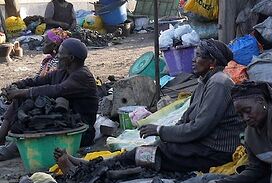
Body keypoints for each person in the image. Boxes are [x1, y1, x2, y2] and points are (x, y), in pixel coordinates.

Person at [55, 39, 244, 174]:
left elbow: (199, 128)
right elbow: (187, 117)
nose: (194, 60)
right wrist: (169, 133)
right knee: (152, 149)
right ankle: (94, 166)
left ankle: (93, 169)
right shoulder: (206, 81)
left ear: (212, 62)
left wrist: (160, 130)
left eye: (199, 56)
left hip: (214, 151)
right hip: (202, 145)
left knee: (152, 153)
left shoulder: (219, 83)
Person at [0, 38, 97, 161]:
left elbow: (56, 90)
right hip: (64, 123)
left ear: (71, 58)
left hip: (80, 131)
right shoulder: (62, 72)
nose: (57, 55)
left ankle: (11, 147)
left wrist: (22, 92)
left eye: (61, 53)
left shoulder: (82, 76)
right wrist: (16, 86)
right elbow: (37, 81)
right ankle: (2, 137)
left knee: (37, 108)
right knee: (25, 99)